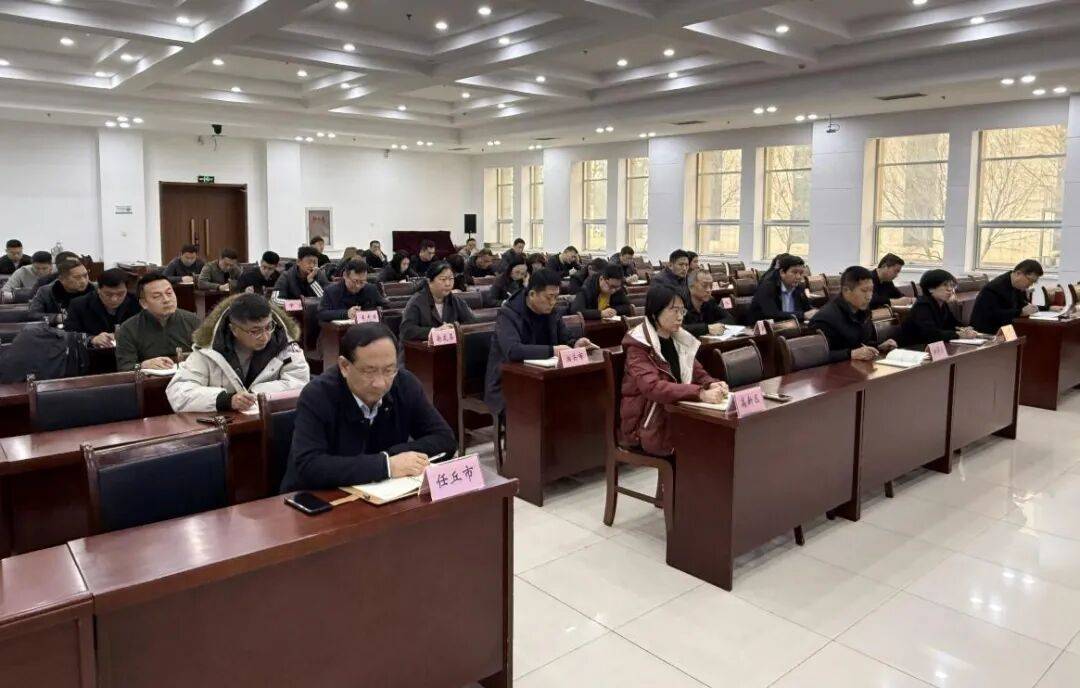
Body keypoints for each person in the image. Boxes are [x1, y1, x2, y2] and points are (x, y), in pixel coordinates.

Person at [280, 323, 457, 492]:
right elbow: (309, 466)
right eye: (369, 371)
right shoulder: (317, 395)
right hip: (319, 499)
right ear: (344, 366)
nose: (380, 383)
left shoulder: (404, 384)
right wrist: (386, 465)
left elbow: (445, 439)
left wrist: (394, 457)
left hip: (382, 494)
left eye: (389, 370)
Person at [620, 286, 728, 456]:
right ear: (655, 313)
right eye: (673, 310)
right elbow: (653, 387)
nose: (679, 317)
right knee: (710, 444)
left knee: (723, 439)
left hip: (674, 415)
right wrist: (700, 393)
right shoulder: (638, 345)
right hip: (647, 427)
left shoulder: (678, 338)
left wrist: (712, 383)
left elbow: (697, 372)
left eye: (682, 311)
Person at [166, 293, 310, 413]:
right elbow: (178, 392)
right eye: (255, 331)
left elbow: (300, 383)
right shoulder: (209, 350)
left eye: (268, 327)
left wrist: (256, 393)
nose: (265, 337)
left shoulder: (285, 345)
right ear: (234, 329)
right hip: (226, 427)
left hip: (274, 424)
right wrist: (226, 400)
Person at [485, 269, 594, 415]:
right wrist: (553, 350)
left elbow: (565, 338)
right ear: (532, 294)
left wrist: (575, 343)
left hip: (545, 378)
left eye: (556, 297)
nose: (553, 302)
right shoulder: (508, 314)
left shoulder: (552, 311)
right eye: (549, 297)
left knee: (578, 400)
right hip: (508, 384)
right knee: (544, 409)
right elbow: (513, 351)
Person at [810, 266, 897, 363]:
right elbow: (816, 356)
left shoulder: (864, 311)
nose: (869, 297)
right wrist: (850, 354)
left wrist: (878, 346)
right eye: (864, 291)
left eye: (871, 290)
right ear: (846, 290)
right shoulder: (825, 319)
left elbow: (859, 343)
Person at [114, 273, 199, 371]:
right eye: (157, 296)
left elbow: (207, 356)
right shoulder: (128, 328)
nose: (166, 300)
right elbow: (124, 367)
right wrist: (143, 365)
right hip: (150, 379)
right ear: (144, 303)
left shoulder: (192, 320)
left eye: (169, 293)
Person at [399, 261, 478, 341]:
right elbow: (406, 330)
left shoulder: (455, 300)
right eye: (443, 279)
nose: (448, 284)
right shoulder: (417, 301)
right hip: (422, 347)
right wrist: (435, 331)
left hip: (449, 346)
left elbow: (472, 322)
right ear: (429, 281)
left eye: (451, 279)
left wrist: (455, 328)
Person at [899, 269, 979, 347]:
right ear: (931, 288)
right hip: (913, 348)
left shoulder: (942, 304)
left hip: (930, 347)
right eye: (945, 285)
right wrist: (959, 334)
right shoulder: (922, 305)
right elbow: (932, 335)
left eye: (952, 285)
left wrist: (965, 329)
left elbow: (953, 324)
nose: (950, 289)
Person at [64, 268, 141, 348]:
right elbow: (68, 335)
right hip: (92, 353)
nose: (114, 299)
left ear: (126, 290)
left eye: (120, 294)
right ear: (98, 290)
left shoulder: (136, 302)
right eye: (108, 294)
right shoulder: (79, 305)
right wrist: (92, 339)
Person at [970, 259, 1042, 334]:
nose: (1031, 284)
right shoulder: (995, 288)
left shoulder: (1017, 286)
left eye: (1034, 282)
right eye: (1030, 280)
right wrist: (1020, 312)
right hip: (985, 333)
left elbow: (1021, 305)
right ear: (1018, 273)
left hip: (1004, 330)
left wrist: (1033, 307)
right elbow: (993, 315)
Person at [748, 254, 815, 323]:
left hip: (790, 325)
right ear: (782, 272)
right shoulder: (767, 287)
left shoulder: (799, 287)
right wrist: (802, 315)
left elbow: (807, 309)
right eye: (794, 272)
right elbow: (772, 314)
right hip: (761, 327)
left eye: (801, 273)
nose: (798, 277)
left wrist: (816, 313)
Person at [318, 259, 388, 322]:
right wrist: (346, 313)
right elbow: (322, 314)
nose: (358, 286)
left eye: (362, 282)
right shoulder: (331, 291)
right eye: (355, 281)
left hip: (367, 329)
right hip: (342, 330)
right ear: (345, 276)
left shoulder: (370, 289)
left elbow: (386, 306)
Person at [29, 257, 94, 318]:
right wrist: (57, 318)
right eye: (77, 277)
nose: (83, 281)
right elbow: (33, 314)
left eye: (85, 275)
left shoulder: (96, 290)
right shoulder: (46, 292)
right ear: (62, 279)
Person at [682, 267, 736, 337]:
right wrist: (707, 328)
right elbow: (679, 329)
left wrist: (713, 327)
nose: (709, 290)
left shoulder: (710, 301)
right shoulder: (680, 304)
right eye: (704, 285)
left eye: (711, 285)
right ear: (691, 287)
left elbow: (729, 319)